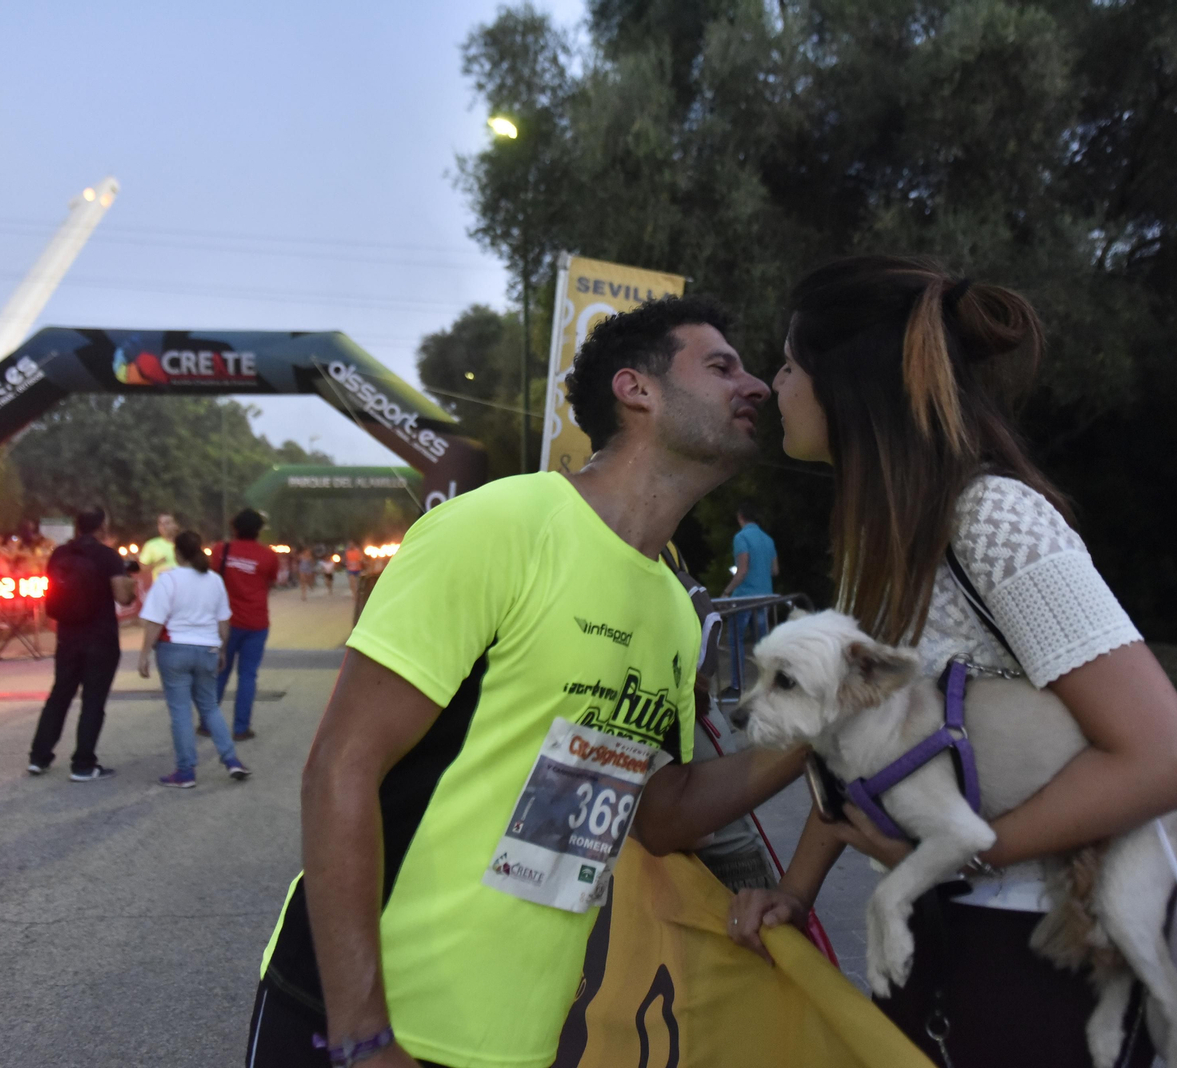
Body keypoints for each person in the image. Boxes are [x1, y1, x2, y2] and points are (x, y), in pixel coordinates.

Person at [246, 296, 806, 1068]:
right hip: (366, 1026)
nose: (757, 386)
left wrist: (819, 734)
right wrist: (362, 1030)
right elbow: (341, 767)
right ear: (635, 389)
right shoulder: (499, 526)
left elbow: (659, 812)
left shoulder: (674, 612)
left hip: (523, 1039)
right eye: (721, 366)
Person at [726, 255, 1177, 1068]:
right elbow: (858, 743)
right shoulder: (874, 545)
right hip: (931, 935)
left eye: (787, 363)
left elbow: (1165, 761)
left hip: (1045, 950)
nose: (774, 385)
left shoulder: (994, 520)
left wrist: (963, 848)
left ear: (846, 383)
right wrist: (797, 892)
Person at [28, 508, 135, 780]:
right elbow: (123, 597)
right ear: (101, 528)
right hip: (100, 637)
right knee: (93, 700)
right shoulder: (108, 556)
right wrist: (130, 580)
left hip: (68, 635)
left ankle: (39, 757)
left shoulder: (60, 554)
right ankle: (83, 764)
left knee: (59, 695)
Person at [137, 531, 249, 788]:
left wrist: (144, 655)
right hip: (207, 649)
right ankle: (231, 760)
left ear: (176, 553)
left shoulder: (168, 580)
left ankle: (186, 771)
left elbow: (154, 621)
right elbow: (224, 621)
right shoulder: (215, 581)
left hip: (174, 649)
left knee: (181, 712)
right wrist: (221, 650)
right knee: (210, 707)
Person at [209, 508, 279, 741]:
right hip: (257, 622)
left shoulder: (221, 550)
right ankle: (241, 728)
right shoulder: (268, 556)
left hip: (225, 623)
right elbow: (270, 582)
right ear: (259, 530)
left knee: (220, 671)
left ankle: (208, 723)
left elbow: (211, 578)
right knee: (248, 675)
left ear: (234, 527)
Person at [719, 501, 779, 694]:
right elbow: (775, 570)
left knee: (736, 640)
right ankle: (769, 683)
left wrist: (727, 592)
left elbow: (742, 570)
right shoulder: (768, 539)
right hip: (765, 597)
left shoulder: (741, 537)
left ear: (740, 517)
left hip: (745, 597)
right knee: (763, 642)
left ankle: (736, 685)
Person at [137, 512, 179, 590]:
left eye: (167, 523)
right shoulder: (151, 545)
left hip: (183, 590)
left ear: (176, 525)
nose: (163, 527)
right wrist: (157, 563)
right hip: (162, 590)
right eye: (160, 524)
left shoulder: (185, 543)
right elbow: (142, 567)